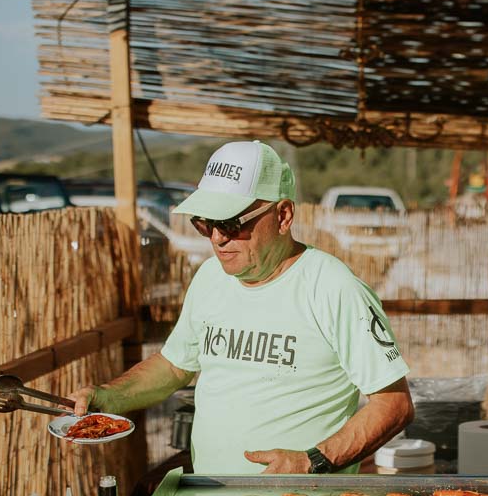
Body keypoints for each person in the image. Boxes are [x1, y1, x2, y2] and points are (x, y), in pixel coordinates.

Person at [71, 140, 414, 474]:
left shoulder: (333, 287)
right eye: (205, 223)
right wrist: (110, 397)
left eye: (232, 223)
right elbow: (175, 366)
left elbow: (393, 404)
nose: (218, 238)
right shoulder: (209, 277)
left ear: (283, 215)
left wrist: (313, 461)